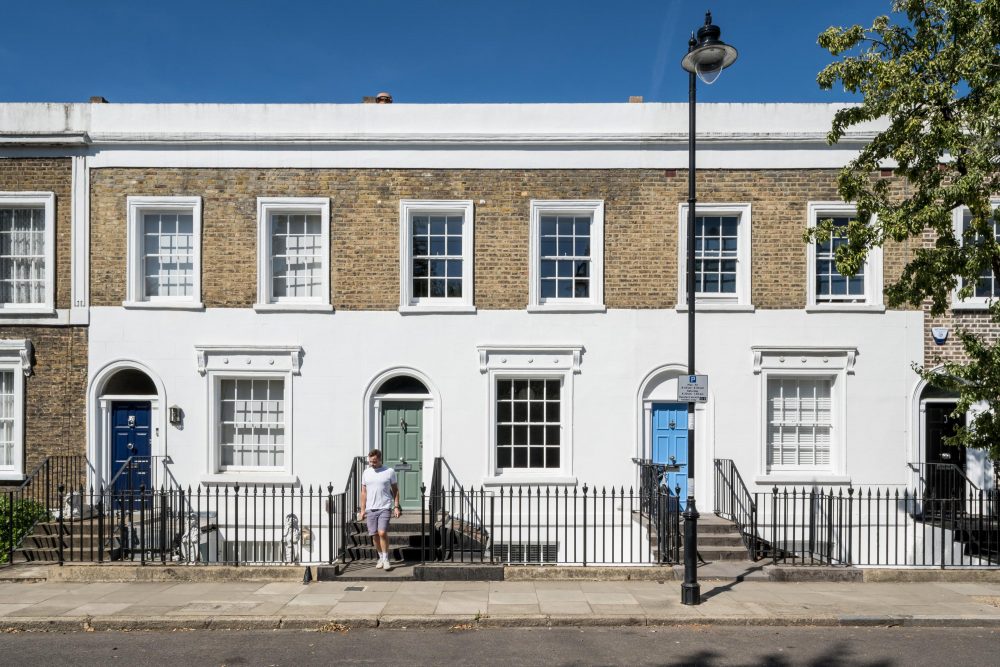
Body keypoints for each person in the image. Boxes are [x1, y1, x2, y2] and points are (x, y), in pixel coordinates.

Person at [359, 449, 401, 571]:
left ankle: (386, 558)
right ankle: (380, 557)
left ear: (380, 459)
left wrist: (396, 506)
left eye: (374, 461)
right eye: (370, 461)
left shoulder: (389, 471)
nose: (372, 464)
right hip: (370, 508)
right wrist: (362, 510)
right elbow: (363, 492)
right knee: (374, 534)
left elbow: (395, 490)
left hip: (385, 506)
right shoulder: (366, 473)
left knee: (382, 532)